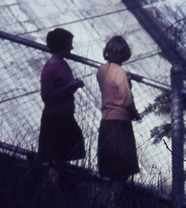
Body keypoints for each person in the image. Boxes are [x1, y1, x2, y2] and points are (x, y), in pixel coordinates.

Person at [37, 28, 86, 186]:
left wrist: (73, 86)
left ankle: (54, 189)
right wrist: (69, 87)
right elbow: (47, 96)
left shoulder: (63, 64)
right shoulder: (51, 69)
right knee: (55, 158)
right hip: (54, 118)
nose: (71, 48)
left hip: (64, 116)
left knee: (61, 155)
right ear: (59, 46)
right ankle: (52, 190)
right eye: (68, 45)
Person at [96, 35, 140, 204]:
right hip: (120, 123)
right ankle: (115, 202)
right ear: (123, 54)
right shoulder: (121, 73)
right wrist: (135, 114)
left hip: (106, 121)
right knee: (122, 170)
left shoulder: (102, 70)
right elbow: (127, 101)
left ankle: (111, 200)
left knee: (113, 168)